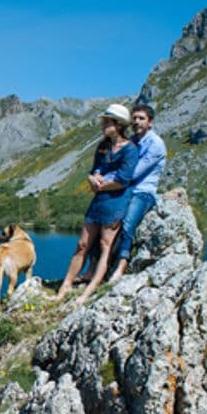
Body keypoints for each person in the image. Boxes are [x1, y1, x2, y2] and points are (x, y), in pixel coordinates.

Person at [56, 103, 137, 304]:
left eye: (107, 122)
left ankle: (89, 291)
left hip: (116, 202)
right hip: (99, 201)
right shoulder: (102, 146)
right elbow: (94, 170)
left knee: (105, 245)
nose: (103, 125)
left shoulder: (130, 150)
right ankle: (65, 286)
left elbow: (123, 180)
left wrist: (99, 185)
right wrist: (92, 179)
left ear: (118, 125)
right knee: (83, 244)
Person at [107, 103, 166, 283]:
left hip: (143, 192)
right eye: (134, 118)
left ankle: (121, 267)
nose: (137, 122)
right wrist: (101, 176)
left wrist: (109, 180)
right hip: (126, 190)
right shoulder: (132, 141)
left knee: (127, 224)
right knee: (105, 223)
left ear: (150, 122)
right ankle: (99, 267)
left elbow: (133, 173)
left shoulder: (155, 144)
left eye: (141, 118)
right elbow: (118, 165)